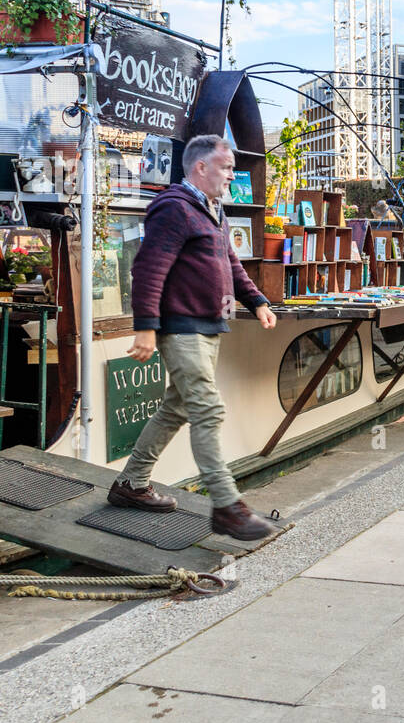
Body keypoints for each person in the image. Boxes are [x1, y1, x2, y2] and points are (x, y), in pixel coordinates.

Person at [107, 134, 279, 541]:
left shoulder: (210, 211)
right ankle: (226, 507)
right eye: (226, 168)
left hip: (207, 327)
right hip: (181, 328)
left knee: (176, 408)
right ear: (201, 168)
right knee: (208, 409)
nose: (232, 176)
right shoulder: (173, 209)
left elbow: (230, 263)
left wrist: (256, 300)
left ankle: (130, 484)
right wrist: (146, 326)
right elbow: (147, 270)